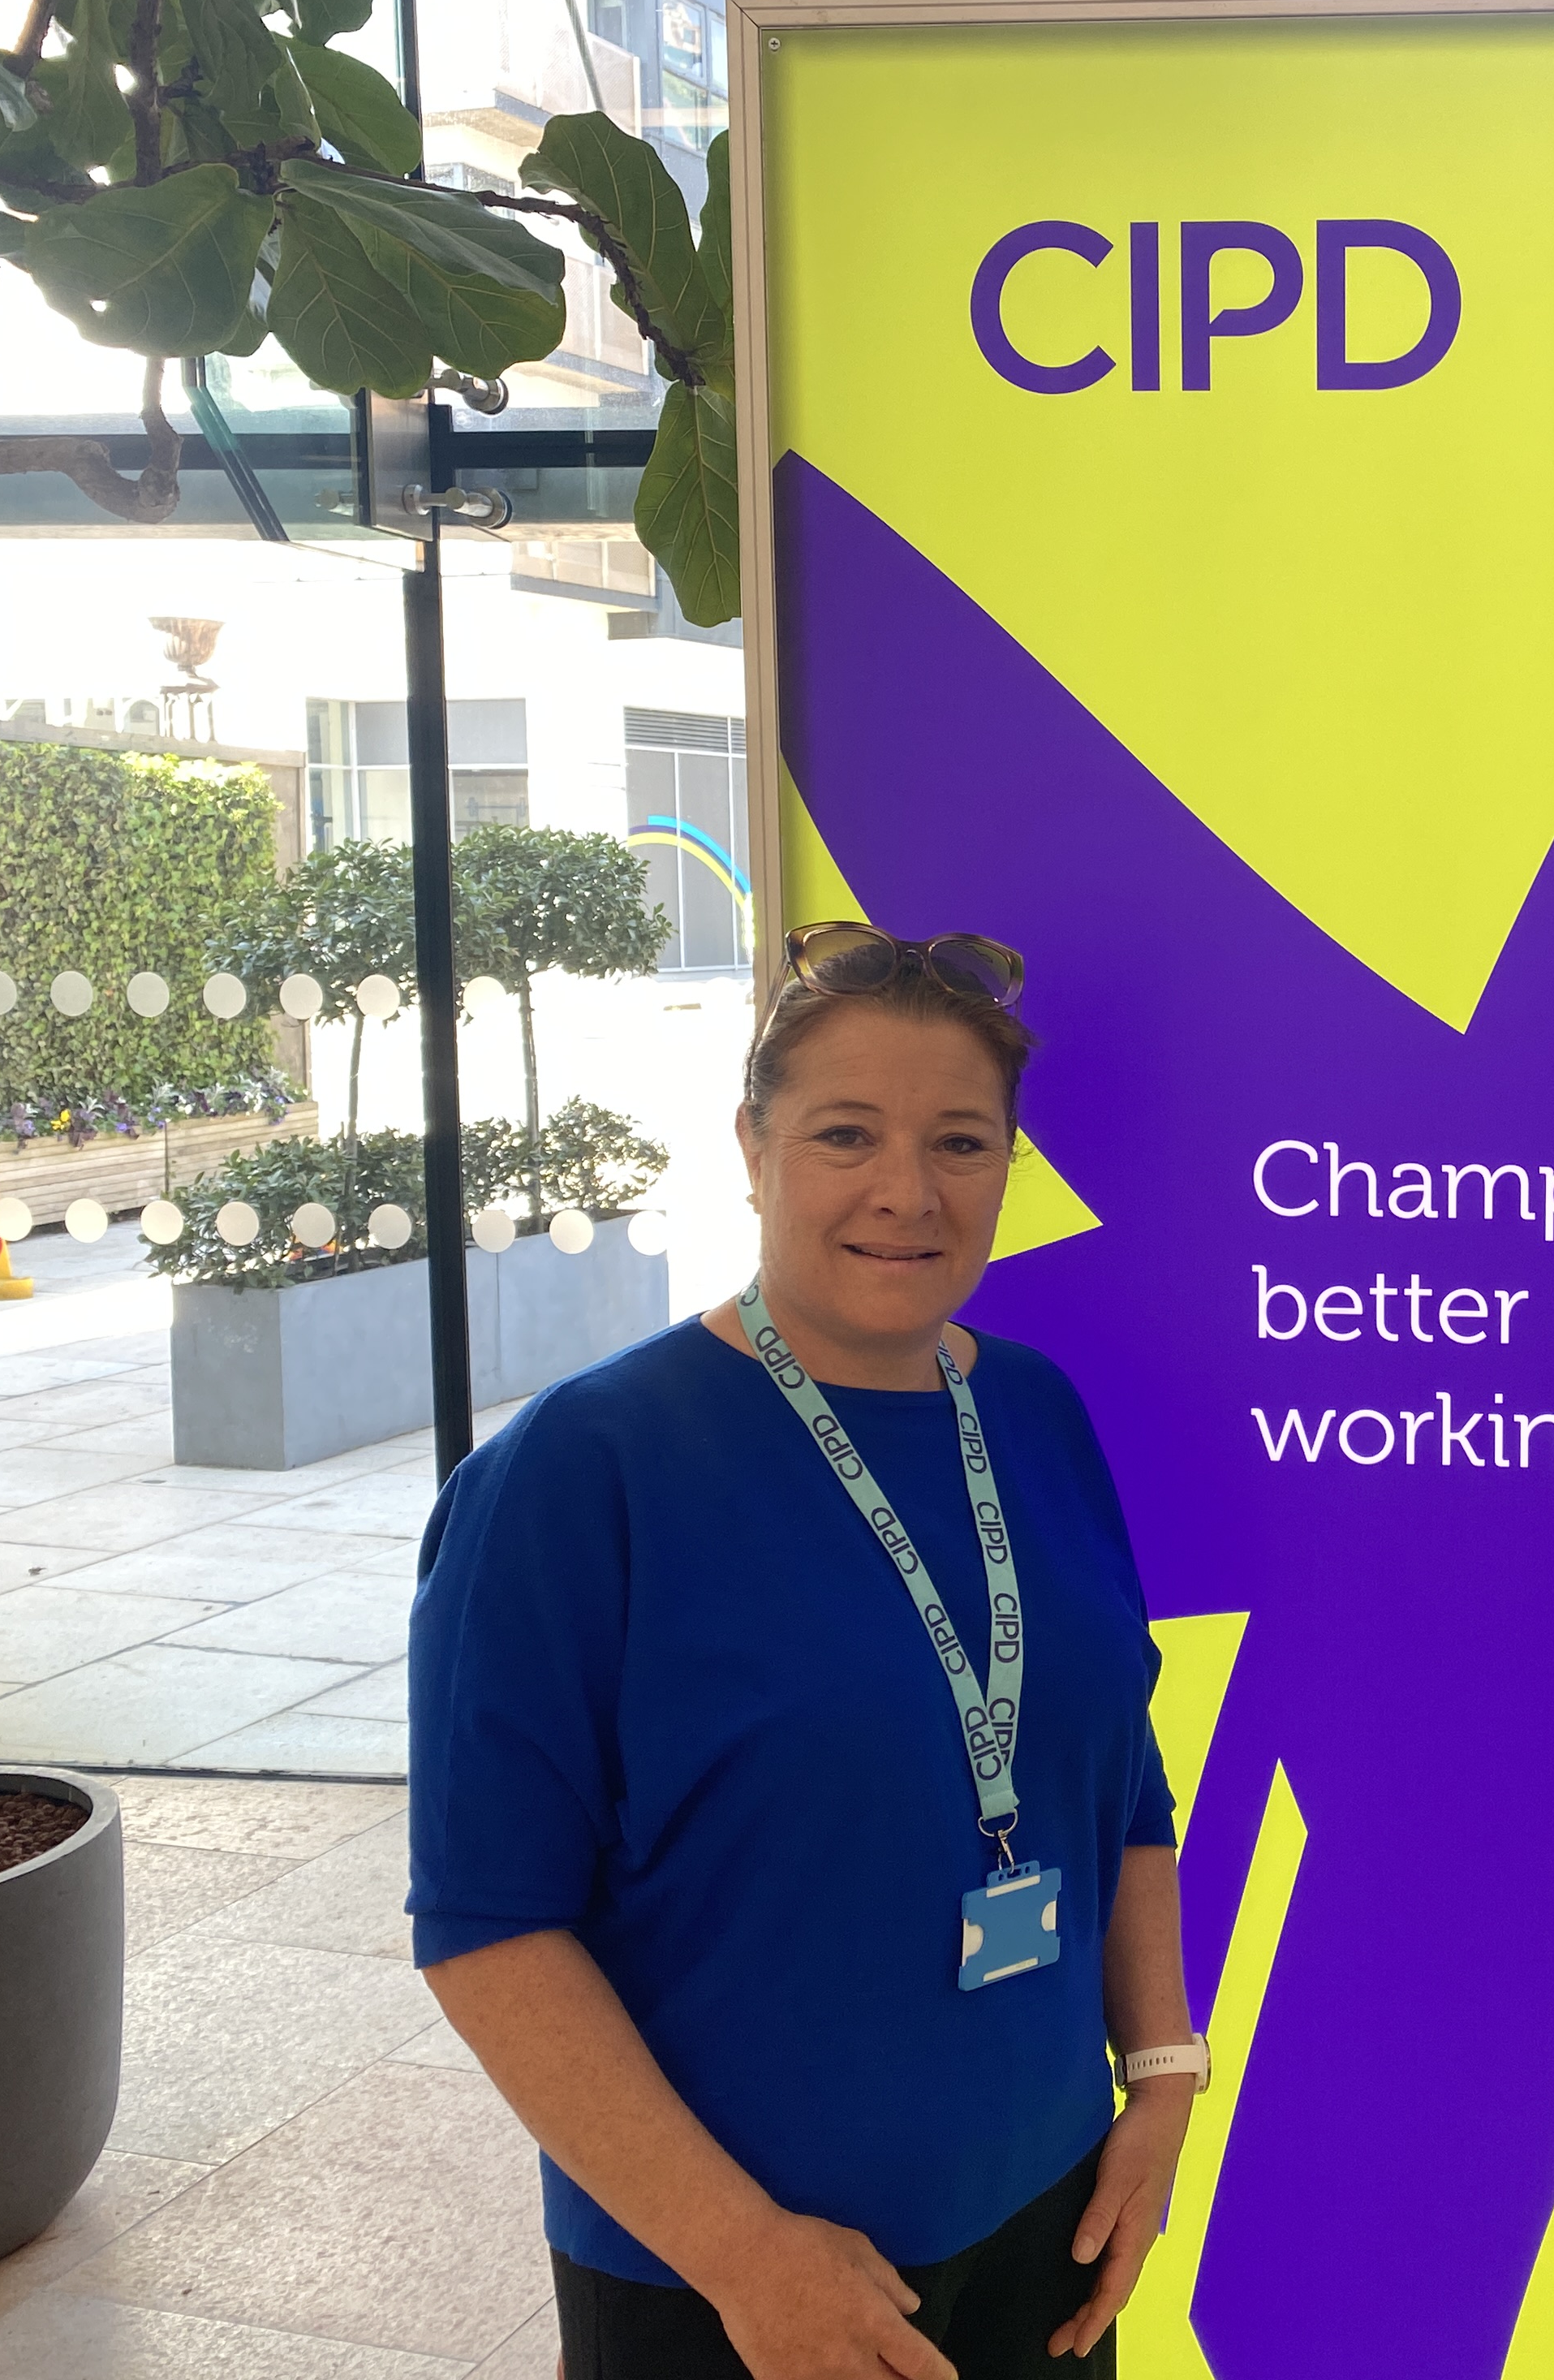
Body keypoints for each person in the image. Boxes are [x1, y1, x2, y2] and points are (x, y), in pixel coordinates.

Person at [407, 924, 1203, 2380]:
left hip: (1054, 2216)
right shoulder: (579, 1475)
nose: (908, 1191)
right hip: (735, 2280)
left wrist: (1161, 2076)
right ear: (753, 1147)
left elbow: (1120, 1780)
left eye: (960, 1141)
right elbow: (488, 1926)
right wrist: (740, 2255)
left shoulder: (1037, 1413)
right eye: (847, 1134)